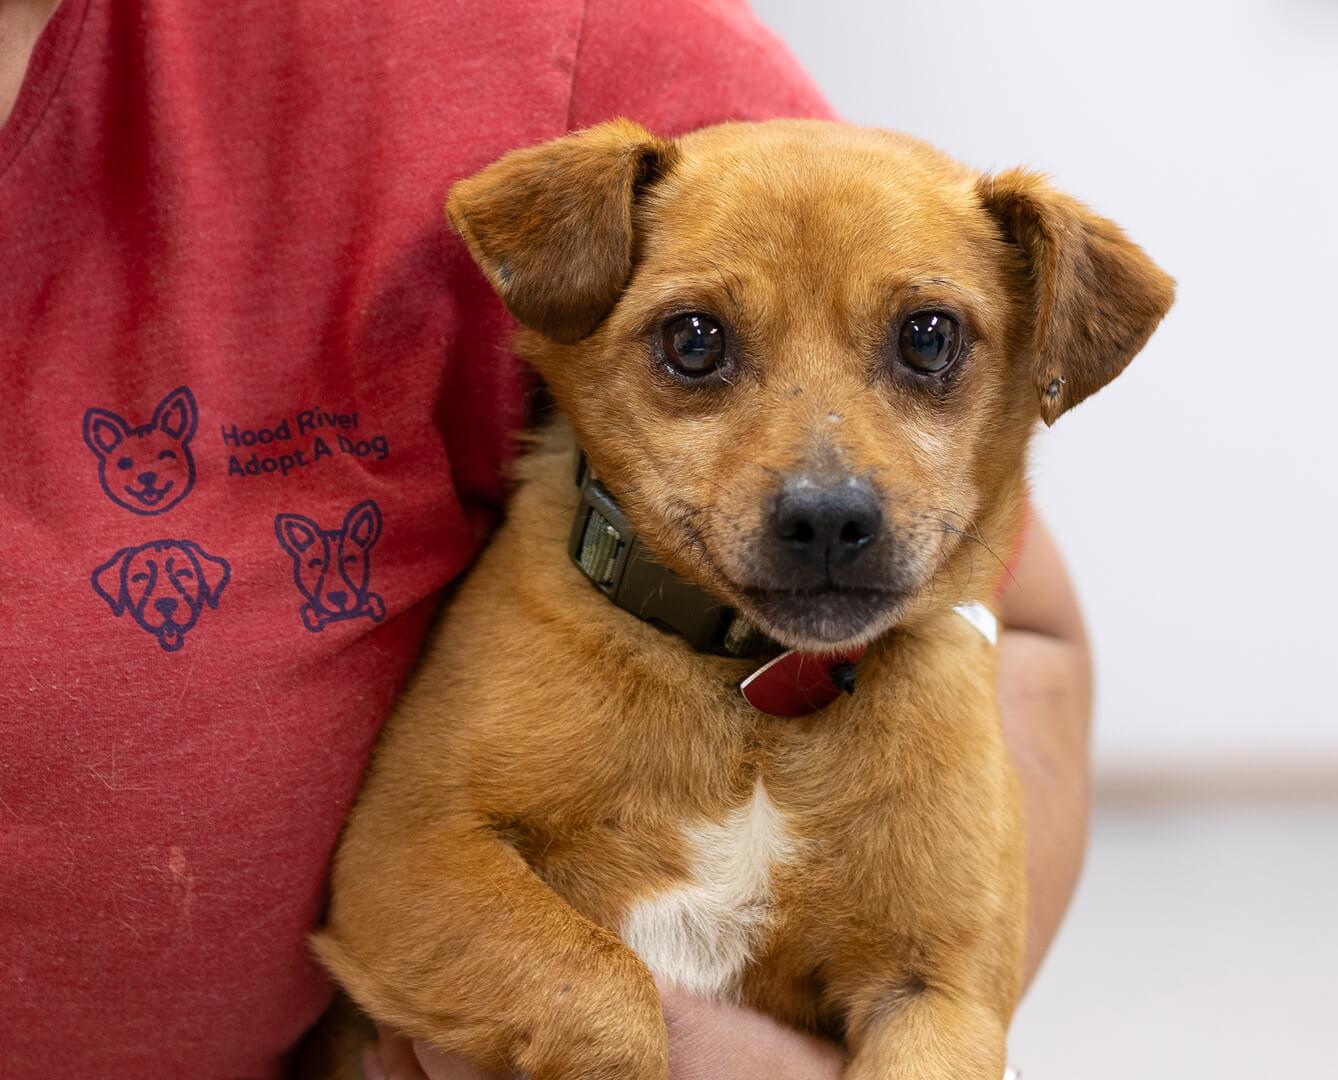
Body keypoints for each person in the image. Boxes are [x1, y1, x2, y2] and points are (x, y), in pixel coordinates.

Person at [0, 2, 1093, 1076]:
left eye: (927, 343)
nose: (824, 491)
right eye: (701, 346)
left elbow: (943, 987)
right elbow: (410, 871)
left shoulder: (568, 42)